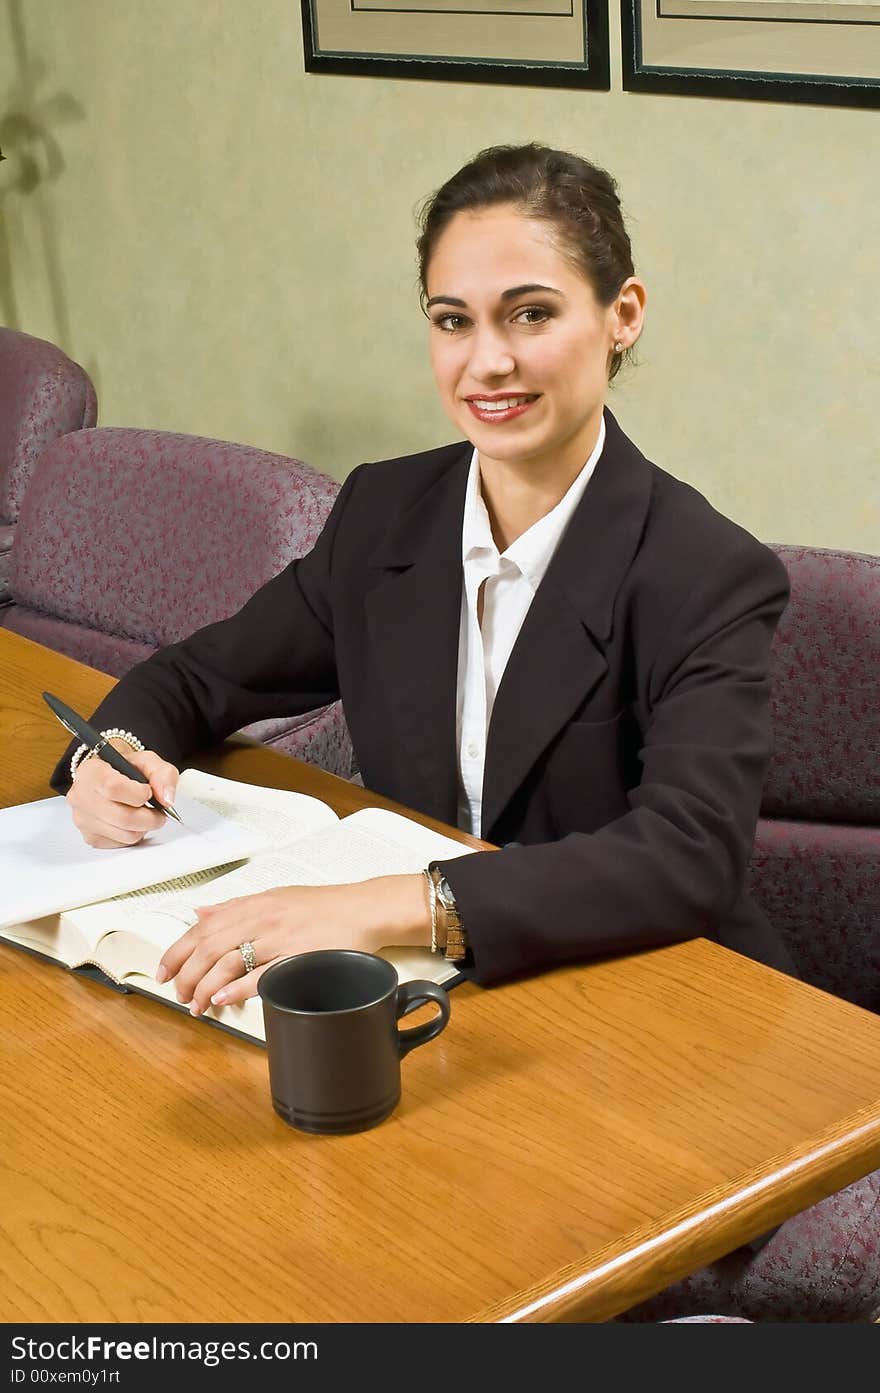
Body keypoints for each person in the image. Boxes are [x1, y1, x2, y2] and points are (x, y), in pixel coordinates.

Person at [55, 142, 795, 1023]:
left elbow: (687, 855)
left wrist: (384, 903)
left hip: (649, 1004)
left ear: (622, 314)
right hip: (442, 1002)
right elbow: (195, 677)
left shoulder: (708, 572)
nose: (487, 362)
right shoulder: (385, 513)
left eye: (530, 314)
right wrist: (106, 758)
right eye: (453, 321)